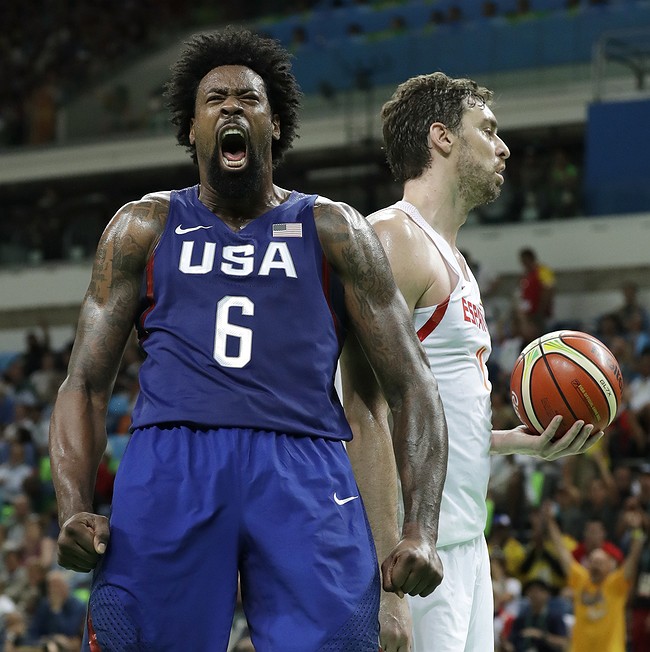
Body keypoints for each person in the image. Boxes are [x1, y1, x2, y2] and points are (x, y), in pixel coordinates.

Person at [48, 27, 449, 651]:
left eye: (248, 99)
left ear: (276, 126)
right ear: (190, 128)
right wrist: (73, 505)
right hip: (171, 459)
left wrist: (422, 527)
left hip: (304, 465)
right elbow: (85, 383)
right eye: (214, 100)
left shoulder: (334, 228)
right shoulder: (142, 227)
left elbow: (412, 385)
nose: (231, 107)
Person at [341, 71, 601, 651]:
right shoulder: (392, 239)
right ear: (441, 138)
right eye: (487, 130)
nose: (503, 146)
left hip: (463, 544)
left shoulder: (453, 259)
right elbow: (362, 412)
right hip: (409, 551)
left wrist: (518, 443)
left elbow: (435, 418)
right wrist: (389, 584)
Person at [545, 502, 646, 652]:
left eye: (600, 562)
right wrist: (550, 522)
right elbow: (561, 551)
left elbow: (634, 556)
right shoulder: (580, 579)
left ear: (609, 566)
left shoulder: (616, 584)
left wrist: (637, 530)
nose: (595, 565)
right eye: (592, 561)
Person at [518, 247, 555, 332]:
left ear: (530, 259)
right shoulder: (525, 275)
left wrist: (541, 309)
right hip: (529, 314)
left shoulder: (543, 271)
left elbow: (548, 290)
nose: (523, 264)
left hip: (540, 312)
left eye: (525, 261)